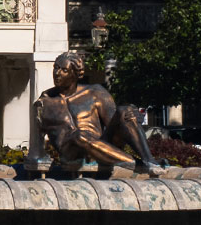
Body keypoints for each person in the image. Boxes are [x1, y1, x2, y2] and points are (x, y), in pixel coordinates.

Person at [35, 51, 163, 175]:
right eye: (56, 68)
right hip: (71, 151)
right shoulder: (45, 101)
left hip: (101, 147)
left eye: (64, 70)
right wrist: (38, 159)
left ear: (76, 74)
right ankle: (139, 165)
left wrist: (132, 114)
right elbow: (37, 140)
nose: (57, 73)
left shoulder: (95, 92)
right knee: (79, 135)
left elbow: (115, 122)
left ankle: (150, 161)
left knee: (124, 111)